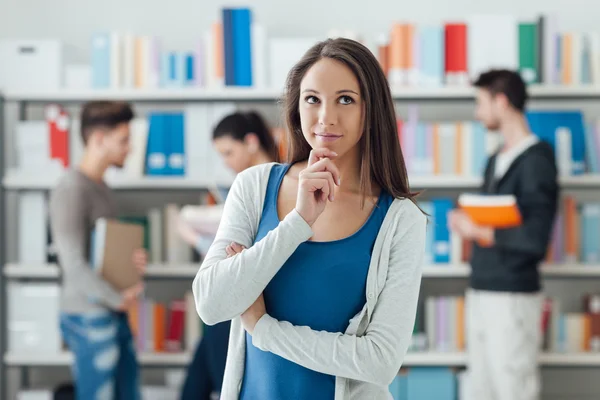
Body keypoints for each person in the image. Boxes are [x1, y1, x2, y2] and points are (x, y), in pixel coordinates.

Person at [192, 37, 427, 399]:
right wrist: (298, 222)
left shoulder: (400, 221)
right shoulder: (255, 186)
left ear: (371, 109)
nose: (325, 118)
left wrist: (265, 330)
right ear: (296, 106)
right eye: (312, 99)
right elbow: (211, 304)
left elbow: (380, 360)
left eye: (345, 99)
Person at [448, 69, 559, 400]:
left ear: (502, 101)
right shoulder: (495, 159)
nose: (478, 112)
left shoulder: (537, 160)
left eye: (481, 102)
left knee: (514, 388)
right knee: (479, 388)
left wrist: (479, 230)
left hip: (512, 297)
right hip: (481, 289)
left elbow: (536, 238)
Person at [49, 101, 147, 400]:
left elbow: (102, 255)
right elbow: (73, 264)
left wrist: (131, 264)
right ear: (98, 139)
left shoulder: (101, 186)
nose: (129, 149)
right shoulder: (71, 188)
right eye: (124, 140)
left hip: (113, 310)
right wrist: (119, 298)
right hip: (88, 315)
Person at [178, 111, 279, 400]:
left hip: (242, 299)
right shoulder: (244, 185)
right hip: (224, 292)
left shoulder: (268, 185)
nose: (225, 162)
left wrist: (196, 237)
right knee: (194, 386)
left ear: (250, 142)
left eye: (228, 152)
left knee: (223, 381)